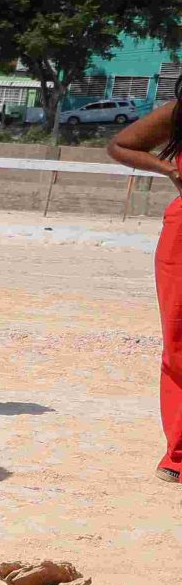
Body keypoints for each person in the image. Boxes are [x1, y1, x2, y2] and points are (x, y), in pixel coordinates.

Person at [107, 96, 182, 483]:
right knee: (179, 345)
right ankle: (179, 453)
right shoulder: (179, 109)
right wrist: (167, 167)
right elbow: (120, 145)